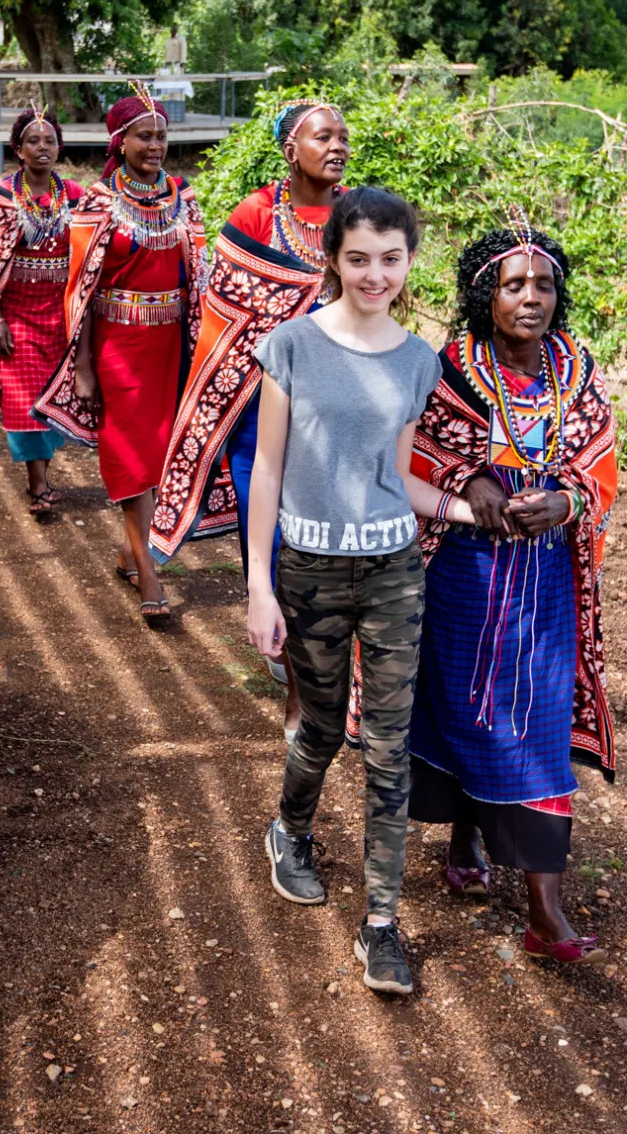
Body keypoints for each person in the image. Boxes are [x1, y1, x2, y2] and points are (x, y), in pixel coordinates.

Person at [245, 187, 441, 998]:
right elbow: (266, 467)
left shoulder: (418, 359)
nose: (374, 274)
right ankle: (288, 829)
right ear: (334, 257)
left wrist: (469, 509)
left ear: (408, 261)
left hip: (394, 572)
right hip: (311, 574)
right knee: (322, 728)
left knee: (389, 748)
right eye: (357, 257)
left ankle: (382, 925)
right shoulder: (291, 345)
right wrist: (259, 583)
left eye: (390, 259)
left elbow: (398, 478)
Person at [406, 219, 619, 967]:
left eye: (545, 283)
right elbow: (423, 448)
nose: (532, 297)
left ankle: (544, 908)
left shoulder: (577, 368)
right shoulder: (451, 369)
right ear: (483, 295)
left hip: (544, 577)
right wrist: (469, 479)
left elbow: (598, 458)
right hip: (464, 566)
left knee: (532, 720)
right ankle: (464, 831)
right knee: (461, 705)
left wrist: (564, 502)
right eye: (513, 284)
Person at [152, 100, 349, 740]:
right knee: (267, 542)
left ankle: (325, 664)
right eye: (324, 136)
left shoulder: (361, 213)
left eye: (344, 136)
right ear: (291, 148)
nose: (338, 145)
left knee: (332, 544)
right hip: (259, 410)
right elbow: (228, 315)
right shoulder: (256, 215)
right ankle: (296, 679)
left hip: (337, 413)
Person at [35, 86, 207, 622]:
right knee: (131, 452)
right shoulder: (98, 201)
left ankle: (131, 549)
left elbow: (199, 277)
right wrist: (82, 364)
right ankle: (150, 569)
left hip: (172, 346)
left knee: (162, 451)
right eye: (144, 136)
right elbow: (80, 287)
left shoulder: (184, 196)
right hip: (117, 345)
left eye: (161, 137)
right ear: (121, 140)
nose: (155, 146)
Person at [0, 109, 81, 516]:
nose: (42, 147)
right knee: (23, 397)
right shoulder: (3, 195)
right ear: (18, 149)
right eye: (33, 141)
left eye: (49, 140)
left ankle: (41, 476)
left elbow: (88, 254)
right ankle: (38, 485)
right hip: (16, 312)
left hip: (60, 314)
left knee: (51, 397)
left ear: (59, 147)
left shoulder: (74, 194)